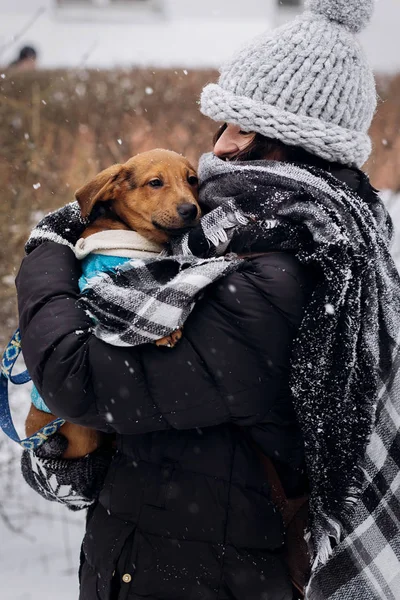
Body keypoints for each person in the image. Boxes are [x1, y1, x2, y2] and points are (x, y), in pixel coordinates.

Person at [15, 1, 400, 599]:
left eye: (239, 128)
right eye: (219, 125)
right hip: (169, 556)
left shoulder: (278, 277)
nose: (216, 148)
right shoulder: (226, 242)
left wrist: (46, 252)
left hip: (203, 574)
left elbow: (75, 377)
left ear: (293, 145)